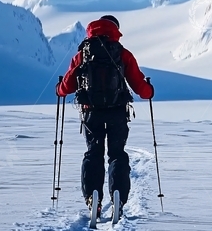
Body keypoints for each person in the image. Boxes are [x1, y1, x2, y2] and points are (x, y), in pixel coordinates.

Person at [56, 15, 154, 220]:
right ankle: (118, 196)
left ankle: (93, 198)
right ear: (115, 29)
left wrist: (59, 89)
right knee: (117, 154)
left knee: (94, 153)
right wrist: (149, 90)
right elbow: (140, 87)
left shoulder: (83, 53)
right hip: (117, 112)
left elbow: (67, 86)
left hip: (91, 112)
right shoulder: (122, 53)